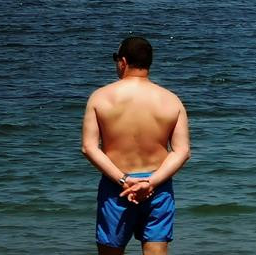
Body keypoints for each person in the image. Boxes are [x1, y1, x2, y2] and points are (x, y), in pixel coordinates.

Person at [82, 36, 191, 255]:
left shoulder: (101, 97)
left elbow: (89, 147)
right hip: (157, 188)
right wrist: (150, 182)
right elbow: (182, 151)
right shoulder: (171, 100)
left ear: (122, 61)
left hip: (117, 187)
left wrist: (123, 180)